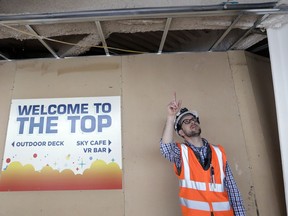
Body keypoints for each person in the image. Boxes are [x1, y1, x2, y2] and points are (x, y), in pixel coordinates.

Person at [160, 96, 246, 216]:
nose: (192, 122)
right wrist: (170, 117)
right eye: (186, 121)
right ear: (180, 132)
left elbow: (233, 190)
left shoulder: (218, 152)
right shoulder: (181, 153)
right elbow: (166, 149)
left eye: (194, 119)